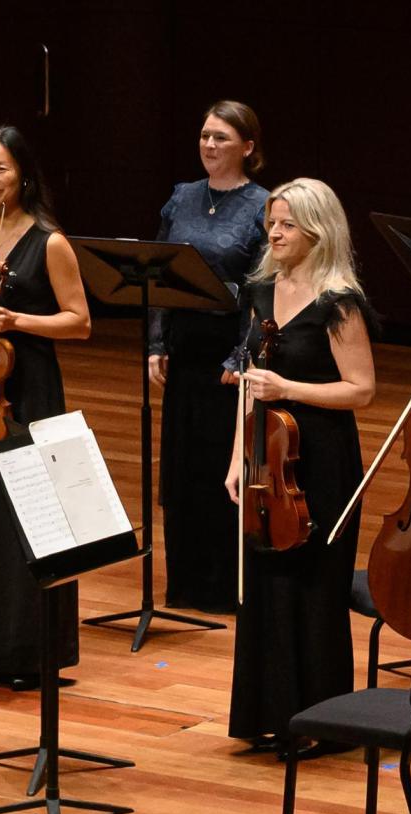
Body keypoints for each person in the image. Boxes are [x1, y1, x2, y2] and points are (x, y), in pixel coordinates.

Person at [225, 178, 375, 759]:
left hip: (324, 461)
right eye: (272, 222)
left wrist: (289, 387)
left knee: (314, 588)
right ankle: (269, 714)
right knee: (267, 584)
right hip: (269, 456)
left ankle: (323, 721)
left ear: (318, 230)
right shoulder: (262, 290)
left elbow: (360, 391)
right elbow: (248, 381)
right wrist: (238, 456)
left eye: (286, 223)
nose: (275, 232)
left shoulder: (340, 302)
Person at [0, 126, 91, 692]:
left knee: (35, 517)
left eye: (1, 169)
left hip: (30, 391)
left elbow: (79, 321)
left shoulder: (49, 242)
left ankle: (39, 654)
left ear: (23, 173)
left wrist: (20, 321)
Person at [148, 100, 270, 614]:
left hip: (228, 354)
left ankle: (224, 585)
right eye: (204, 135)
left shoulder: (264, 204)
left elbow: (264, 291)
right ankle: (185, 584)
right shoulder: (181, 198)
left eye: (221, 137)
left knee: (223, 461)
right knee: (184, 467)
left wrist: (242, 355)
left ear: (247, 147)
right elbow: (157, 272)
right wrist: (156, 343)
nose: (209, 145)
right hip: (185, 348)